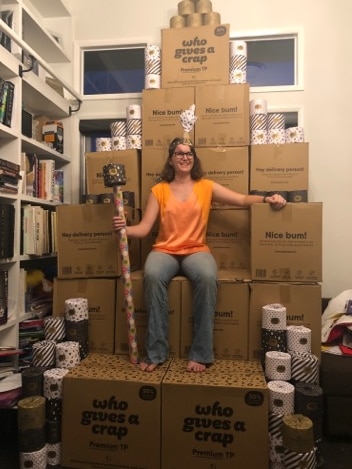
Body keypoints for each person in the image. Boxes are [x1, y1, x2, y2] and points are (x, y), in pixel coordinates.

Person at [113, 137, 287, 373]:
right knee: (152, 276)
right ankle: (156, 352)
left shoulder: (206, 186)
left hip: (196, 250)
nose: (185, 157)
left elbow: (242, 199)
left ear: (194, 159)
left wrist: (267, 198)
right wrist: (124, 229)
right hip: (164, 250)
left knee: (206, 277)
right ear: (171, 160)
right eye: (179, 153)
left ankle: (201, 353)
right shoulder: (159, 190)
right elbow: (144, 229)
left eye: (189, 154)